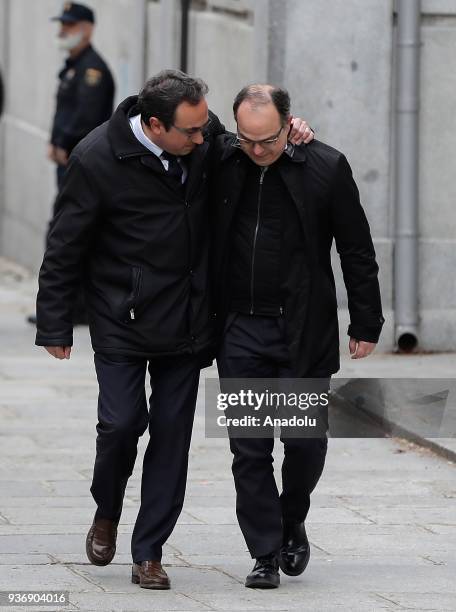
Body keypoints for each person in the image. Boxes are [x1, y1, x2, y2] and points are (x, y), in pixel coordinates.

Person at [34, 70, 313, 590]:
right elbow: (64, 247)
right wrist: (54, 322)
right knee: (121, 426)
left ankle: (148, 552)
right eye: (191, 131)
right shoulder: (97, 158)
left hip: (187, 321)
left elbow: (255, 141)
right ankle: (107, 510)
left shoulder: (204, 146)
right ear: (155, 125)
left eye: (206, 127)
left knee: (171, 438)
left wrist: (292, 130)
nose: (203, 139)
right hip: (122, 318)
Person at [212, 84, 384, 589]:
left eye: (267, 140)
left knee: (305, 443)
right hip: (240, 329)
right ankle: (264, 552)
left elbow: (356, 249)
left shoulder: (325, 168)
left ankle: (292, 518)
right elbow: (151, 112)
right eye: (248, 139)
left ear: (291, 125)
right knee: (249, 449)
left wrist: (366, 322)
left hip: (301, 329)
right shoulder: (223, 159)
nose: (258, 150)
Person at [27, 2, 115, 327]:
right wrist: (55, 141)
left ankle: (72, 307)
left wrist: (63, 144)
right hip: (68, 163)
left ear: (87, 29)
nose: (62, 31)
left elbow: (86, 120)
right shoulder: (74, 66)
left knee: (67, 233)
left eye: (69, 25)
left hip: (81, 166)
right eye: (62, 24)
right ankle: (70, 306)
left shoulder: (94, 71)